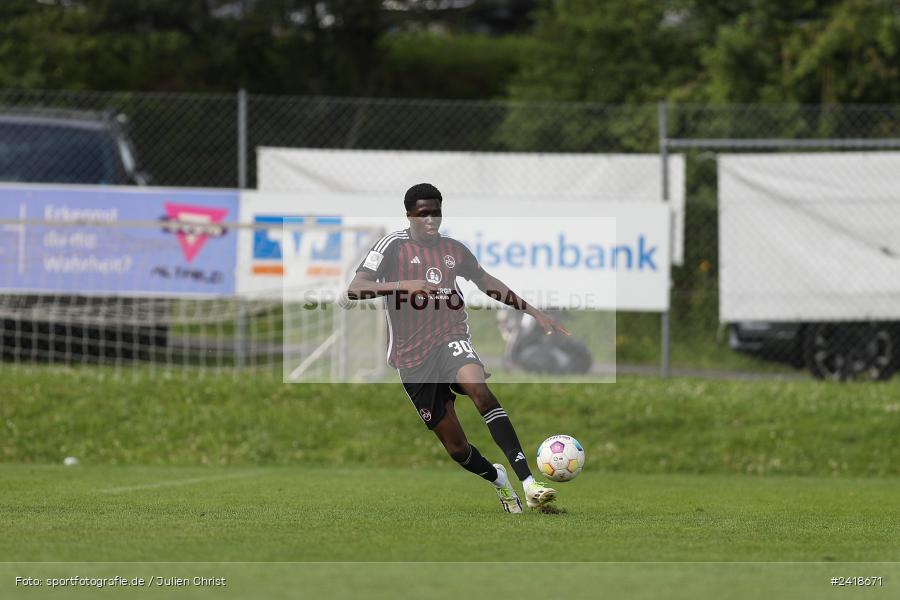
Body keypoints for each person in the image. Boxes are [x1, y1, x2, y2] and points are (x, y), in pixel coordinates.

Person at [346, 183, 570, 513]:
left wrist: (533, 312)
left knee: (480, 390)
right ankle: (499, 479)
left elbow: (486, 281)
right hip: (412, 359)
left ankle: (530, 483)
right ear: (409, 215)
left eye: (436, 212)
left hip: (450, 337)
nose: (431, 220)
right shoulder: (392, 246)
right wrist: (403, 285)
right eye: (423, 214)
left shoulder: (454, 250)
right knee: (457, 448)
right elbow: (356, 288)